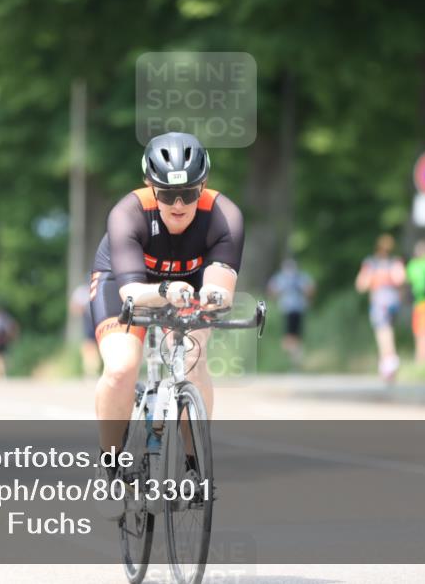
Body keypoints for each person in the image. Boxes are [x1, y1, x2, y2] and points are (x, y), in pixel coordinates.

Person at [90, 132, 243, 506]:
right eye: (167, 194)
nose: (178, 204)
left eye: (189, 194)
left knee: (192, 357)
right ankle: (111, 467)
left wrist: (213, 296)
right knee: (122, 368)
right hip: (126, 282)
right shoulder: (128, 213)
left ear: (203, 186)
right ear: (149, 186)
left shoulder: (225, 215)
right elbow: (130, 295)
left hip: (190, 285)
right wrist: (162, 292)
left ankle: (193, 465)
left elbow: (221, 285)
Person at [355, 234, 406, 382]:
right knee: (388, 331)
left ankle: (389, 363)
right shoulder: (395, 262)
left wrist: (374, 278)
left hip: (379, 302)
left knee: (383, 333)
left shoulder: (371, 263)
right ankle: (388, 363)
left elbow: (360, 285)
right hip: (393, 302)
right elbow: (401, 280)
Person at [267, 257, 315, 366]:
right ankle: (295, 355)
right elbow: (310, 288)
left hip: (287, 309)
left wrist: (275, 299)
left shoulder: (282, 278)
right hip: (298, 308)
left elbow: (271, 289)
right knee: (295, 334)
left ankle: (293, 356)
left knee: (289, 335)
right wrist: (308, 300)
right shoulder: (300, 277)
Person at [70, 284, 101, 378]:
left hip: (95, 321)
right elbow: (74, 308)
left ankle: (92, 371)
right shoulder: (83, 291)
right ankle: (91, 371)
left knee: (91, 348)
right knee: (89, 348)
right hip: (90, 322)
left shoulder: (83, 291)